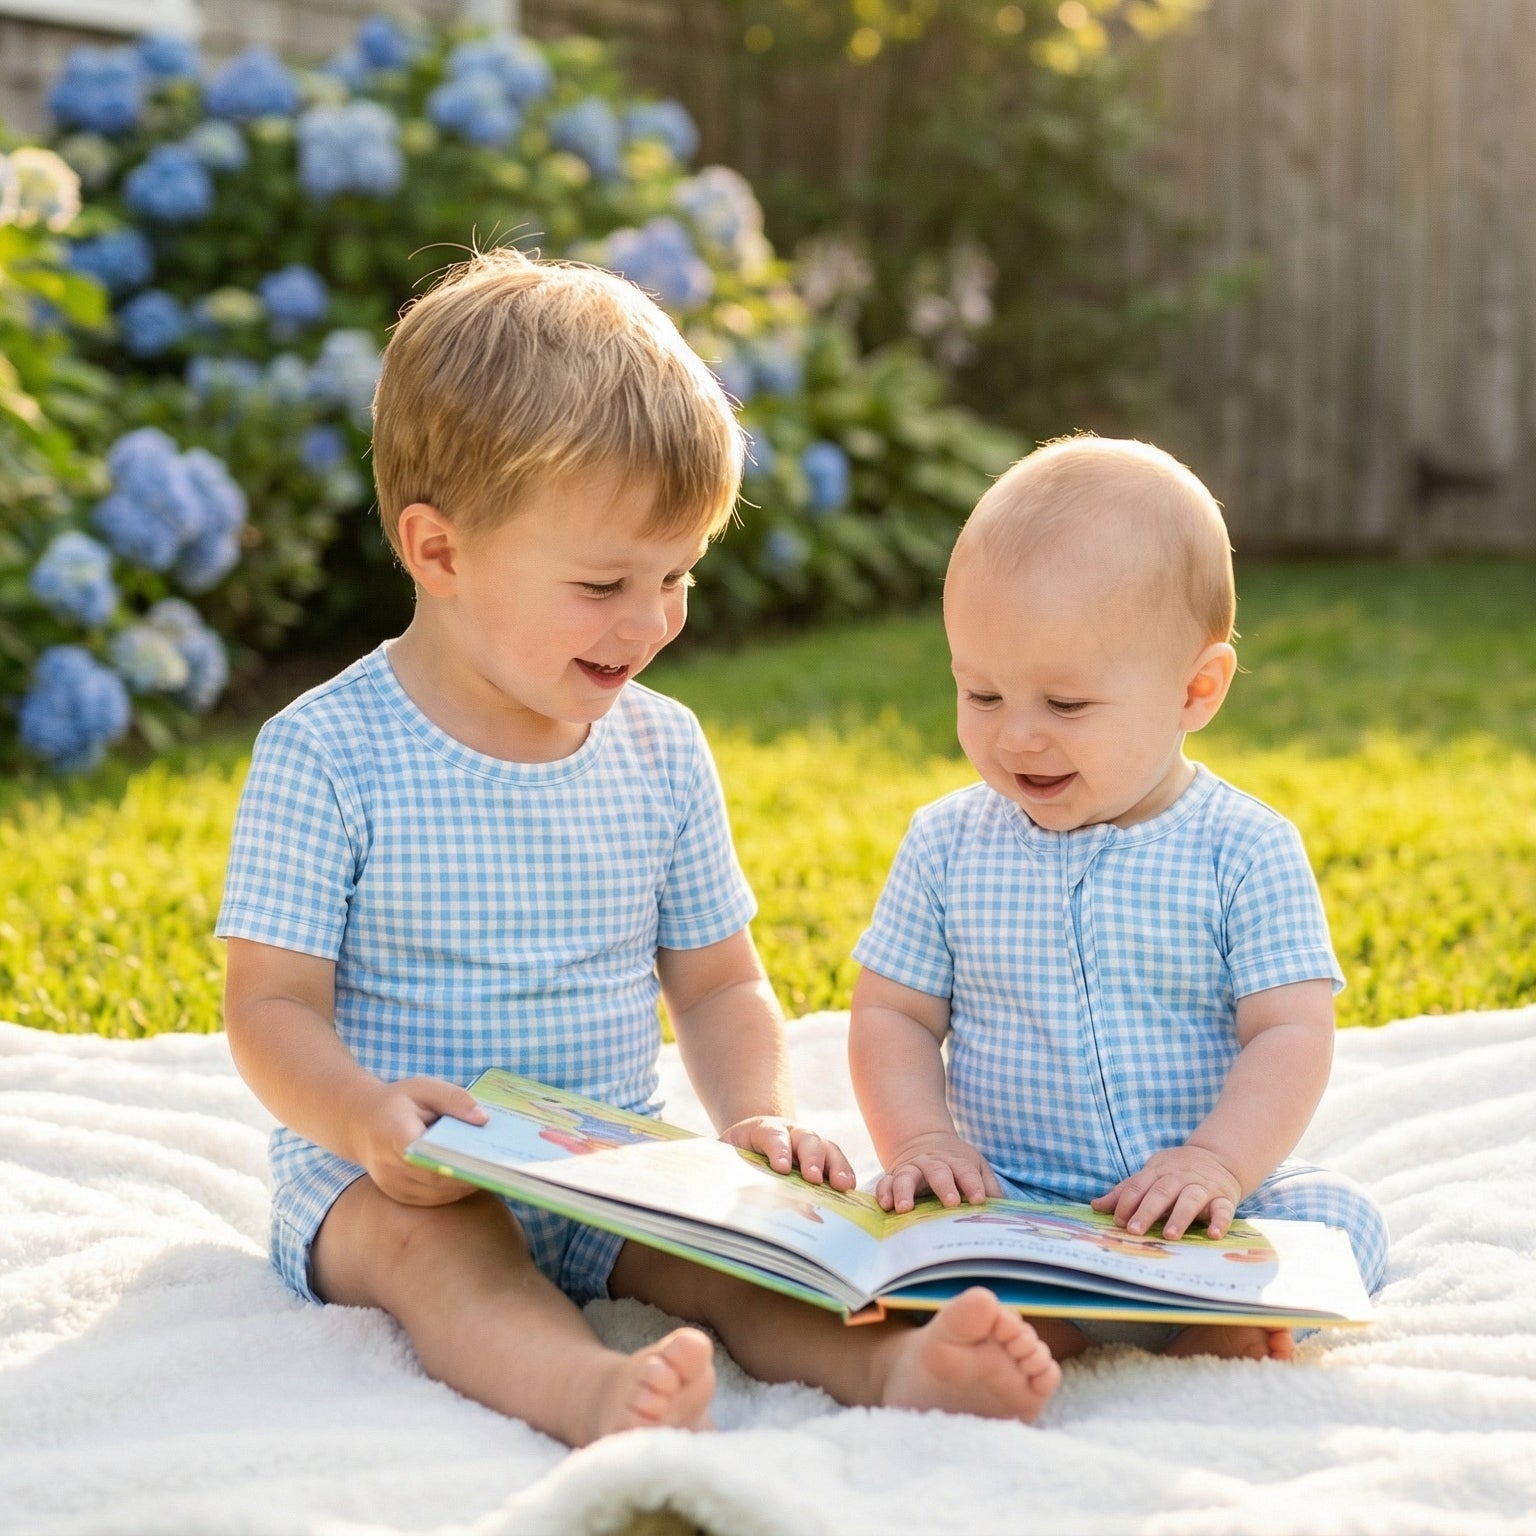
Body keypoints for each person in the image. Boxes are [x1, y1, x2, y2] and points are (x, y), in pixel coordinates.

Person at [217, 249, 1060, 1447]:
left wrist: (752, 1117)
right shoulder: (328, 753)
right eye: (606, 580)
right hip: (394, 1174)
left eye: (679, 575)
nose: (653, 620)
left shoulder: (661, 751)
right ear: (439, 551)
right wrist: (361, 1119)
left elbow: (717, 982)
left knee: (741, 1252)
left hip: (609, 1163)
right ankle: (586, 1394)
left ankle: (893, 1373)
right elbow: (269, 1008)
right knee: (441, 1254)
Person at [848, 435, 1389, 1363]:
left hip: (1199, 1199)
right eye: (980, 694)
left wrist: (1217, 1162)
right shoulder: (946, 844)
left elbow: (1289, 1031)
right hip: (1009, 1193)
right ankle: (1027, 1320)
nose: (1017, 737)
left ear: (1196, 689)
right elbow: (892, 1014)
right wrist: (924, 1142)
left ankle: (1219, 1319)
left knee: (1336, 1215)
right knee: (895, 1230)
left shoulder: (1244, 849)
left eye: (1065, 706)